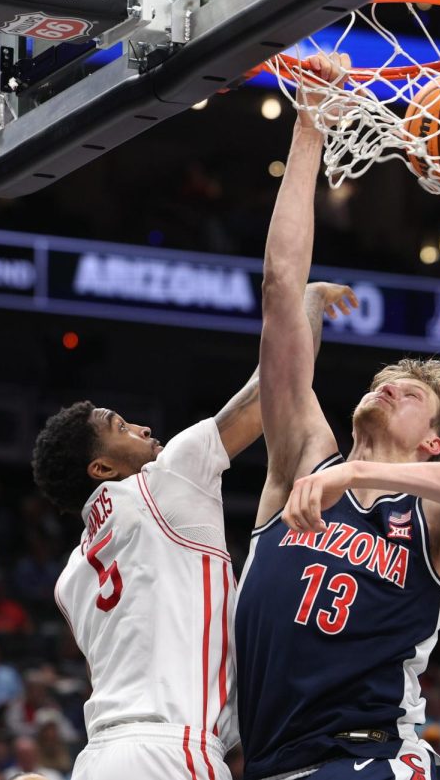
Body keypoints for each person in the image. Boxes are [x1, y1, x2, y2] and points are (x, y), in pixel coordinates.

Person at [235, 54, 440, 780]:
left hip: (374, 755)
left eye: (411, 391)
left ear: (434, 442)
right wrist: (310, 123)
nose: (391, 385)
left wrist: (360, 473)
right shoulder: (304, 457)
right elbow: (280, 289)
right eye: (384, 378)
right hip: (278, 764)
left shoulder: (432, 516)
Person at [32, 280, 356, 780]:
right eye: (121, 427)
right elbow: (276, 384)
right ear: (101, 469)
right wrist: (307, 304)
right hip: (171, 751)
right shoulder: (162, 483)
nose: (141, 428)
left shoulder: (72, 576)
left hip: (98, 758)